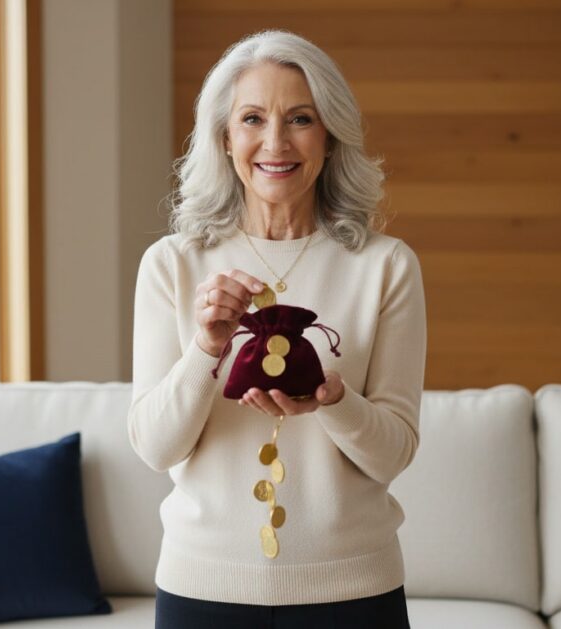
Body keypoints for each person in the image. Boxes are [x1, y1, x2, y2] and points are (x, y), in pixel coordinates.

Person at [127, 29, 426, 629]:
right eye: (252, 118)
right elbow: (155, 446)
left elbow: (394, 453)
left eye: (300, 119)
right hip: (201, 592)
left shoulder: (386, 266)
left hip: (354, 593)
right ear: (224, 137)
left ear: (330, 136)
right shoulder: (172, 264)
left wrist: (333, 401)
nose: (275, 142)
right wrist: (207, 348)